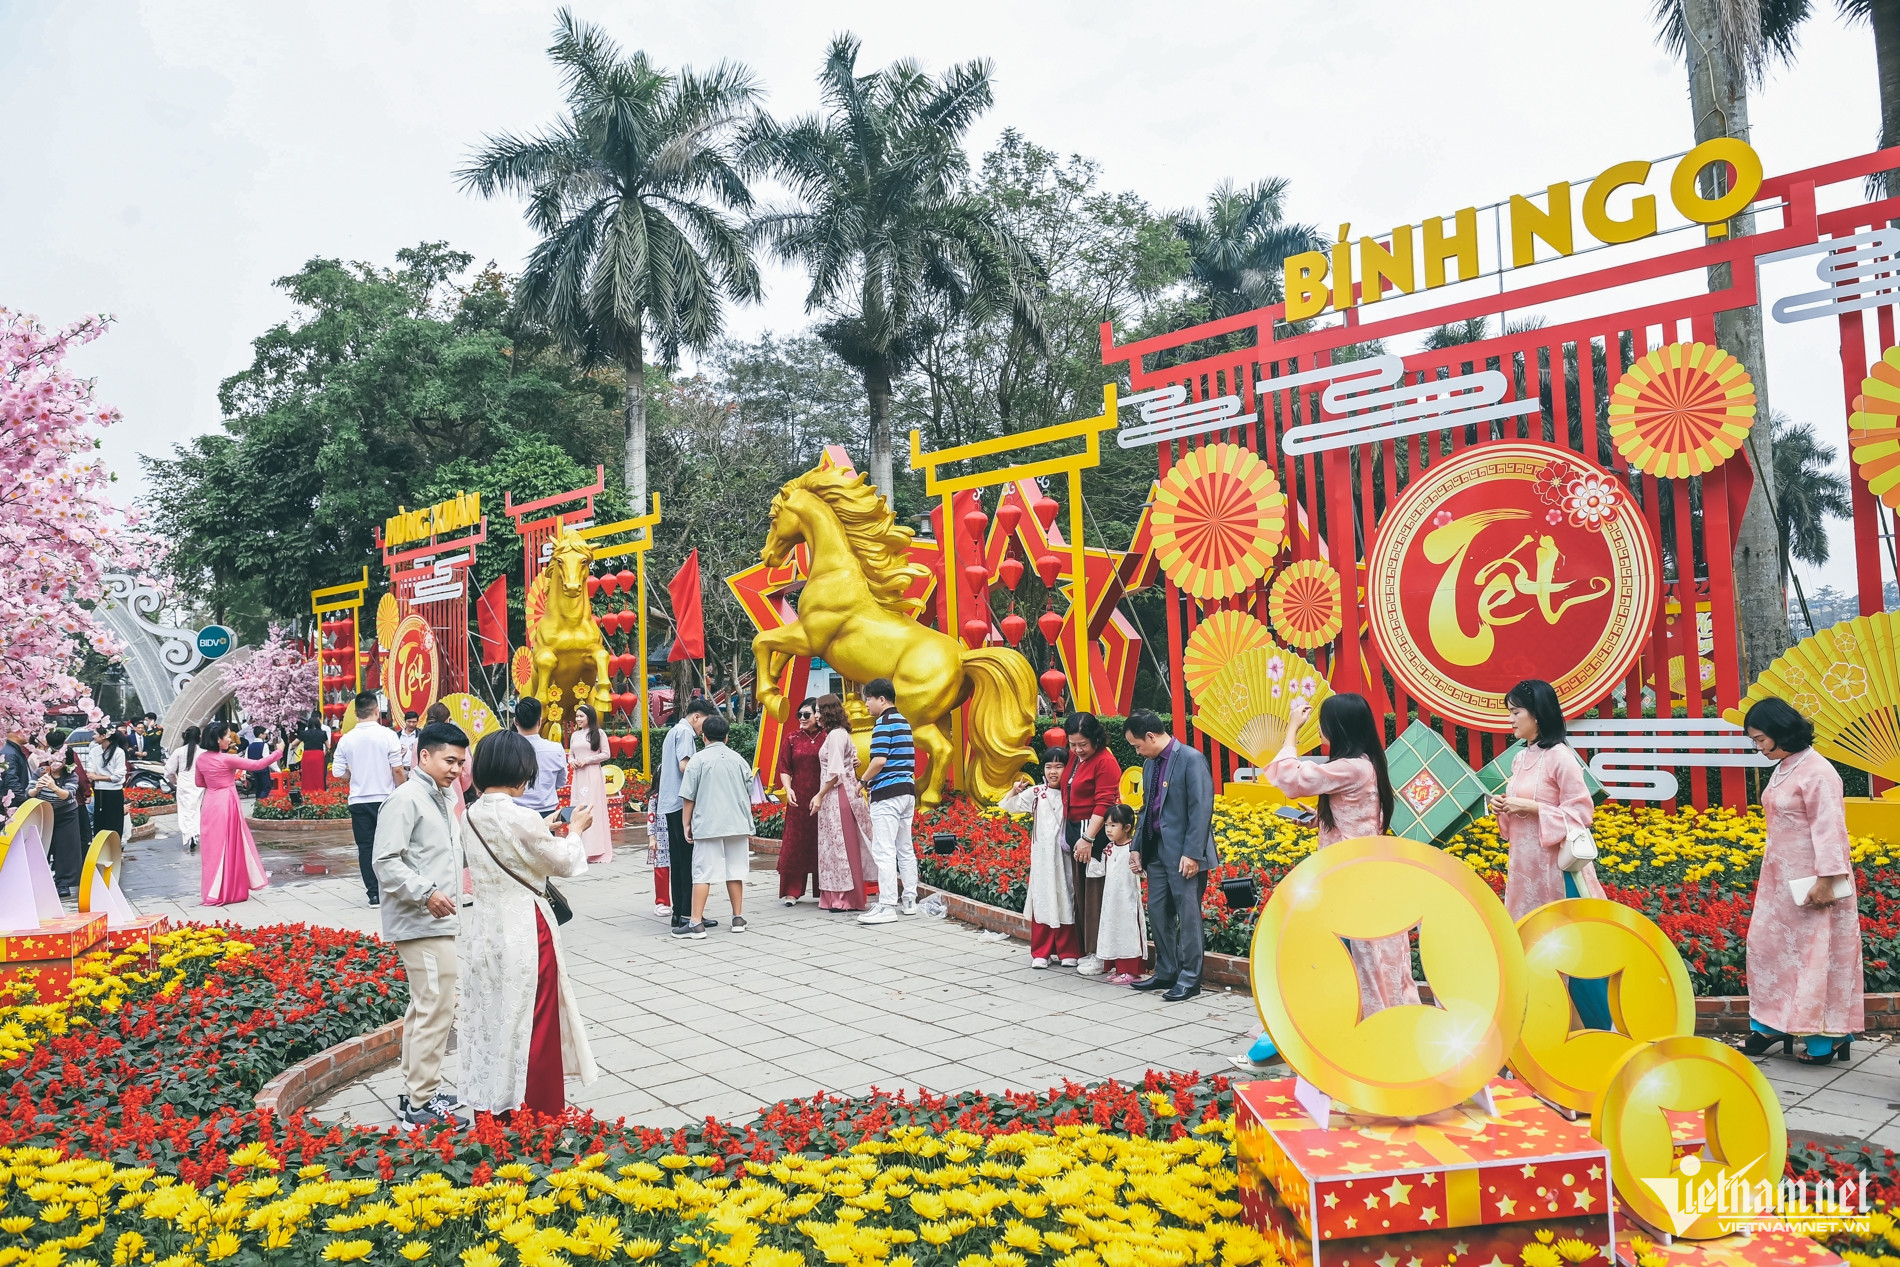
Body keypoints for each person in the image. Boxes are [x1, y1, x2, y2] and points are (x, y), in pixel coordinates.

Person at [460, 729, 597, 1117]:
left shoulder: (470, 815)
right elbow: (565, 863)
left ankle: (493, 1111)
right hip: (525, 928)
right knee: (535, 1019)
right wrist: (575, 830)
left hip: (485, 930)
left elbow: (512, 848)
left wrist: (543, 828)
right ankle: (537, 1115)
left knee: (494, 1017)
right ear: (520, 770)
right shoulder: (521, 816)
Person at [1266, 693, 1417, 1017]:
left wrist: (1292, 728)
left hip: (1348, 875)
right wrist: (1322, 820)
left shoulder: (1349, 767)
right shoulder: (1367, 763)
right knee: (1361, 946)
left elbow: (1290, 778)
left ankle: (1353, 1014)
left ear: (1339, 727)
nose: (1320, 728)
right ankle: (1362, 1010)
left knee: (1348, 947)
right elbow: (1361, 816)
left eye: (1324, 722)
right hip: (1363, 869)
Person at [1742, 697, 1866, 1063]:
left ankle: (1826, 1038)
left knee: (1815, 958)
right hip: (1779, 883)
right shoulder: (1786, 766)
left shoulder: (1818, 771)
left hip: (1814, 885)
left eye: (1761, 739)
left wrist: (1826, 881)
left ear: (1780, 732)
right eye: (1755, 740)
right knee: (1769, 951)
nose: (1759, 747)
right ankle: (1772, 1024)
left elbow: (1831, 831)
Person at [1488, 678, 1611, 1031]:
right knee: (1528, 943)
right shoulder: (1520, 758)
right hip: (1524, 868)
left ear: (1537, 714)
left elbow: (1581, 814)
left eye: (1516, 712)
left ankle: (1589, 1030)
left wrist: (1532, 807)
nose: (1510, 719)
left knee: (1568, 945)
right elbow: (1520, 813)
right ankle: (1541, 1026)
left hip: (1556, 871)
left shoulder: (1561, 757)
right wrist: (1503, 807)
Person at [372, 720, 473, 1126]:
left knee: (425, 1007)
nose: (456, 769)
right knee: (437, 1007)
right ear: (424, 755)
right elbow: (385, 861)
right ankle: (420, 1104)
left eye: (461, 763)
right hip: (420, 920)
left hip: (436, 919)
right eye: (449, 760)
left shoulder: (440, 798)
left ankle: (416, 1092)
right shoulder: (406, 799)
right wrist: (426, 892)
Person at [1126, 710, 1218, 1002]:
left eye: (1137, 745)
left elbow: (1201, 808)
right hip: (1156, 851)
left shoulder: (1191, 759)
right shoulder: (1150, 764)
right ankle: (1166, 970)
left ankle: (1190, 980)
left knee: (1187, 916)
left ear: (1150, 736)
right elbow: (1146, 808)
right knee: (1158, 911)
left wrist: (1193, 853)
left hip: (1184, 854)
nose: (1137, 751)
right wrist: (1136, 847)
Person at [678, 714, 755, 937]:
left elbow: (688, 796)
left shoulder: (698, 761)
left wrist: (686, 823)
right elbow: (749, 789)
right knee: (735, 871)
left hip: (708, 824)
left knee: (703, 873)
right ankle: (738, 918)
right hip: (737, 823)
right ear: (727, 737)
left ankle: (696, 923)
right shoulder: (739, 760)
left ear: (704, 737)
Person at [1002, 750, 1080, 967]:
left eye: (1059, 766)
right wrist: (1014, 791)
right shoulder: (1037, 793)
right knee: (1043, 898)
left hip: (1065, 857)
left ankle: (1068, 951)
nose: (1053, 772)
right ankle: (1041, 952)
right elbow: (1009, 806)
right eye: (1048, 767)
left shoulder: (1073, 793)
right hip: (1043, 859)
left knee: (1066, 897)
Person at [331, 692, 407, 909]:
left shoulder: (346, 739)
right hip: (386, 799)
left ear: (356, 713)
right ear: (376, 711)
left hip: (359, 800)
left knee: (366, 848)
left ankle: (373, 894)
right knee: (391, 846)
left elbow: (337, 772)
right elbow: (398, 769)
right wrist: (404, 791)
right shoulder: (388, 735)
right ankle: (392, 889)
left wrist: (354, 773)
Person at [195, 721, 281, 906]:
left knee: (212, 848)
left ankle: (214, 890)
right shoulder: (227, 759)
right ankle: (230, 889)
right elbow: (257, 764)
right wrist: (278, 752)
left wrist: (214, 782)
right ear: (218, 740)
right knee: (230, 845)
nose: (230, 739)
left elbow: (199, 783)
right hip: (227, 802)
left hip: (209, 803)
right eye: (227, 736)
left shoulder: (200, 759)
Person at [1060, 713, 1120, 974]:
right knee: (1082, 894)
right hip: (1076, 832)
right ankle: (1088, 948)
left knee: (1095, 895)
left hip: (1093, 835)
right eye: (1072, 744)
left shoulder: (1105, 761)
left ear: (1095, 738)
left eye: (1082, 744)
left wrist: (1088, 839)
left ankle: (1101, 954)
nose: (1077, 749)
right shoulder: (1075, 757)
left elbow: (1104, 802)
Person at [858, 678, 918, 926]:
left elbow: (879, 760)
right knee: (905, 848)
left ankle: (887, 905)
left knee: (884, 850)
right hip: (907, 791)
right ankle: (910, 900)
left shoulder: (883, 723)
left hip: (887, 793)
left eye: (869, 699)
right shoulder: (904, 721)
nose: (866, 705)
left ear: (881, 699)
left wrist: (862, 781)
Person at [811, 693, 872, 911]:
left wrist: (819, 795)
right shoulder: (838, 734)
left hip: (838, 795)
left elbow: (835, 772)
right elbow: (850, 761)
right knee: (835, 846)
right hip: (837, 794)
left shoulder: (836, 735)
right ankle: (839, 897)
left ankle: (845, 898)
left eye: (818, 710)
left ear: (827, 712)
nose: (816, 715)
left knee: (840, 846)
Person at [661, 700, 717, 934]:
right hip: (680, 802)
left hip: (670, 803)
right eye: (705, 722)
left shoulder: (674, 731)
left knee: (679, 862)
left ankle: (681, 914)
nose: (705, 729)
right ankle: (688, 914)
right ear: (696, 717)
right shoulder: (685, 733)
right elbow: (685, 766)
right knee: (688, 862)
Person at [776, 701, 825, 904]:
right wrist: (788, 789)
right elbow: (784, 768)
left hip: (823, 797)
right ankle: (792, 891)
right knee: (794, 844)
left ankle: (826, 890)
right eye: (800, 715)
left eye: (806, 715)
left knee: (823, 842)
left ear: (818, 716)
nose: (802, 719)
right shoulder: (792, 738)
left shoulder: (828, 737)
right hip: (798, 798)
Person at [1095, 804, 1150, 984]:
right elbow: (1099, 870)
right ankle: (1118, 968)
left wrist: (1139, 869)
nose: (1108, 830)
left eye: (1113, 825)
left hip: (1128, 899)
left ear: (1127, 827)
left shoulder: (1133, 849)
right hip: (1111, 900)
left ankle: (1132, 971)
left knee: (1128, 930)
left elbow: (1143, 871)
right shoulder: (1109, 848)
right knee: (1113, 928)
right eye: (1106, 825)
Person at [568, 703, 614, 865]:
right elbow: (571, 755)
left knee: (593, 808)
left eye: (581, 716)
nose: (578, 719)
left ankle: (595, 849)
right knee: (577, 808)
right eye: (577, 716)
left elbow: (606, 754)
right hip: (578, 776)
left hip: (592, 774)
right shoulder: (575, 735)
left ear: (590, 717)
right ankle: (579, 848)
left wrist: (587, 760)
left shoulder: (599, 733)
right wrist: (572, 761)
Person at [32, 754, 84, 898]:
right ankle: (39, 882)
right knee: (41, 846)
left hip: (66, 814)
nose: (55, 763)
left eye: (59, 760)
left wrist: (53, 787)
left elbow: (68, 795)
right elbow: (28, 792)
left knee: (65, 848)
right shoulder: (41, 771)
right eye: (52, 759)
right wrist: (37, 788)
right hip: (43, 813)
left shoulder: (71, 774)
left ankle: (63, 884)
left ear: (65, 761)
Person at [510, 697, 568, 818]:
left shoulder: (506, 749)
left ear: (515, 722)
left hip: (515, 811)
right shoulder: (556, 749)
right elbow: (561, 782)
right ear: (540, 722)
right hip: (547, 811)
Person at [163, 726, 204, 851]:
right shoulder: (203, 753)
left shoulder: (178, 752)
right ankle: (195, 833)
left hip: (183, 785)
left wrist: (174, 781)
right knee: (197, 810)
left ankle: (188, 834)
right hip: (199, 786)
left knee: (185, 811)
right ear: (199, 737)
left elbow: (169, 770)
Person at [86, 730, 129, 840]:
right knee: (99, 822)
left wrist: (97, 777)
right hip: (99, 790)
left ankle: (115, 846)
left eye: (95, 734)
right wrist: (96, 777)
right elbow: (90, 769)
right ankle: (101, 846)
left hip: (114, 792)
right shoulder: (94, 751)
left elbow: (118, 776)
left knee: (114, 822)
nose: (93, 736)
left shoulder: (118, 752)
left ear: (104, 736)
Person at [1, 729, 31, 812]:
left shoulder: (13, 751)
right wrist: (23, 799)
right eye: (26, 732)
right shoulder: (9, 753)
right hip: (13, 803)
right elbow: (10, 779)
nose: (29, 735)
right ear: (17, 733)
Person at [298, 713, 329, 795]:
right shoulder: (323, 733)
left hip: (307, 755)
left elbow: (294, 743)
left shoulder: (304, 733)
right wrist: (326, 751)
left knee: (307, 774)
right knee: (319, 774)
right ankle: (319, 790)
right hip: (319, 755)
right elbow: (328, 746)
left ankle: (307, 790)